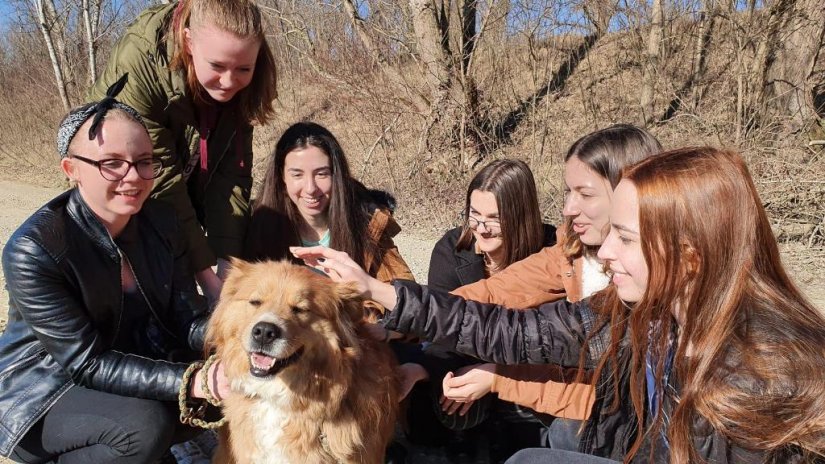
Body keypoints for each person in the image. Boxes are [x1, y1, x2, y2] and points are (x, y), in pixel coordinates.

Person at [293, 147, 825, 463]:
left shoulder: (761, 380)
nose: (606, 251)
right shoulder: (642, 313)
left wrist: (497, 381)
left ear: (688, 258)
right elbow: (508, 329)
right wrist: (382, 292)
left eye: (624, 236)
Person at [0, 82, 229, 463]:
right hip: (44, 393)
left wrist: (242, 340)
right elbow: (86, 362)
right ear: (71, 169)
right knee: (144, 427)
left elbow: (186, 317)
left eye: (144, 161)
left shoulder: (162, 222)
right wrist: (197, 380)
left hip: (123, 376)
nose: (134, 176)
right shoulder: (35, 249)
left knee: (239, 389)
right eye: (112, 163)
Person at [440, 125, 661, 451]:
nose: (568, 209)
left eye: (584, 195)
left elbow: (604, 395)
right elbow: (499, 290)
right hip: (574, 403)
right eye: (567, 193)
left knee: (564, 434)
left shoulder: (642, 282)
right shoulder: (569, 249)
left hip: (633, 432)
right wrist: (397, 308)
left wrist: (500, 378)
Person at [88, 0, 278, 302]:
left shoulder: (249, 78)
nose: (229, 82)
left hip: (186, 176)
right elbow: (159, 178)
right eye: (217, 66)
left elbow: (232, 174)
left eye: (243, 69)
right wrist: (204, 270)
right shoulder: (141, 60)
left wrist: (228, 264)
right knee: (138, 282)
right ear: (188, 41)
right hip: (123, 184)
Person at [405, 159, 556, 458]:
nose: (481, 229)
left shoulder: (551, 252)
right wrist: (427, 369)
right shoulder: (451, 249)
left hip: (526, 374)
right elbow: (440, 328)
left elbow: (552, 338)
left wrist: (496, 374)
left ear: (520, 216)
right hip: (465, 364)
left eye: (494, 218)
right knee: (447, 410)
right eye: (474, 214)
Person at [243, 121, 414, 306]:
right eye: (297, 175)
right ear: (281, 177)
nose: (310, 188)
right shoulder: (261, 226)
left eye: (322, 174)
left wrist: (376, 328)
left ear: (336, 175)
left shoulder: (368, 222)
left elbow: (406, 296)